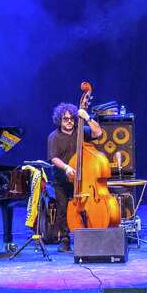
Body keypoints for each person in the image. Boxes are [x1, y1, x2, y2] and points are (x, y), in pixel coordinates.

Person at [48, 102, 107, 252]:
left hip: (82, 179)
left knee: (86, 206)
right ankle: (65, 241)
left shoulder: (81, 131)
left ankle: (89, 236)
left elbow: (98, 132)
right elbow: (54, 158)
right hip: (61, 178)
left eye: (72, 118)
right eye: (65, 119)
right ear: (59, 120)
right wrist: (67, 167)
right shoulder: (53, 137)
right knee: (62, 209)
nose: (69, 121)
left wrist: (87, 117)